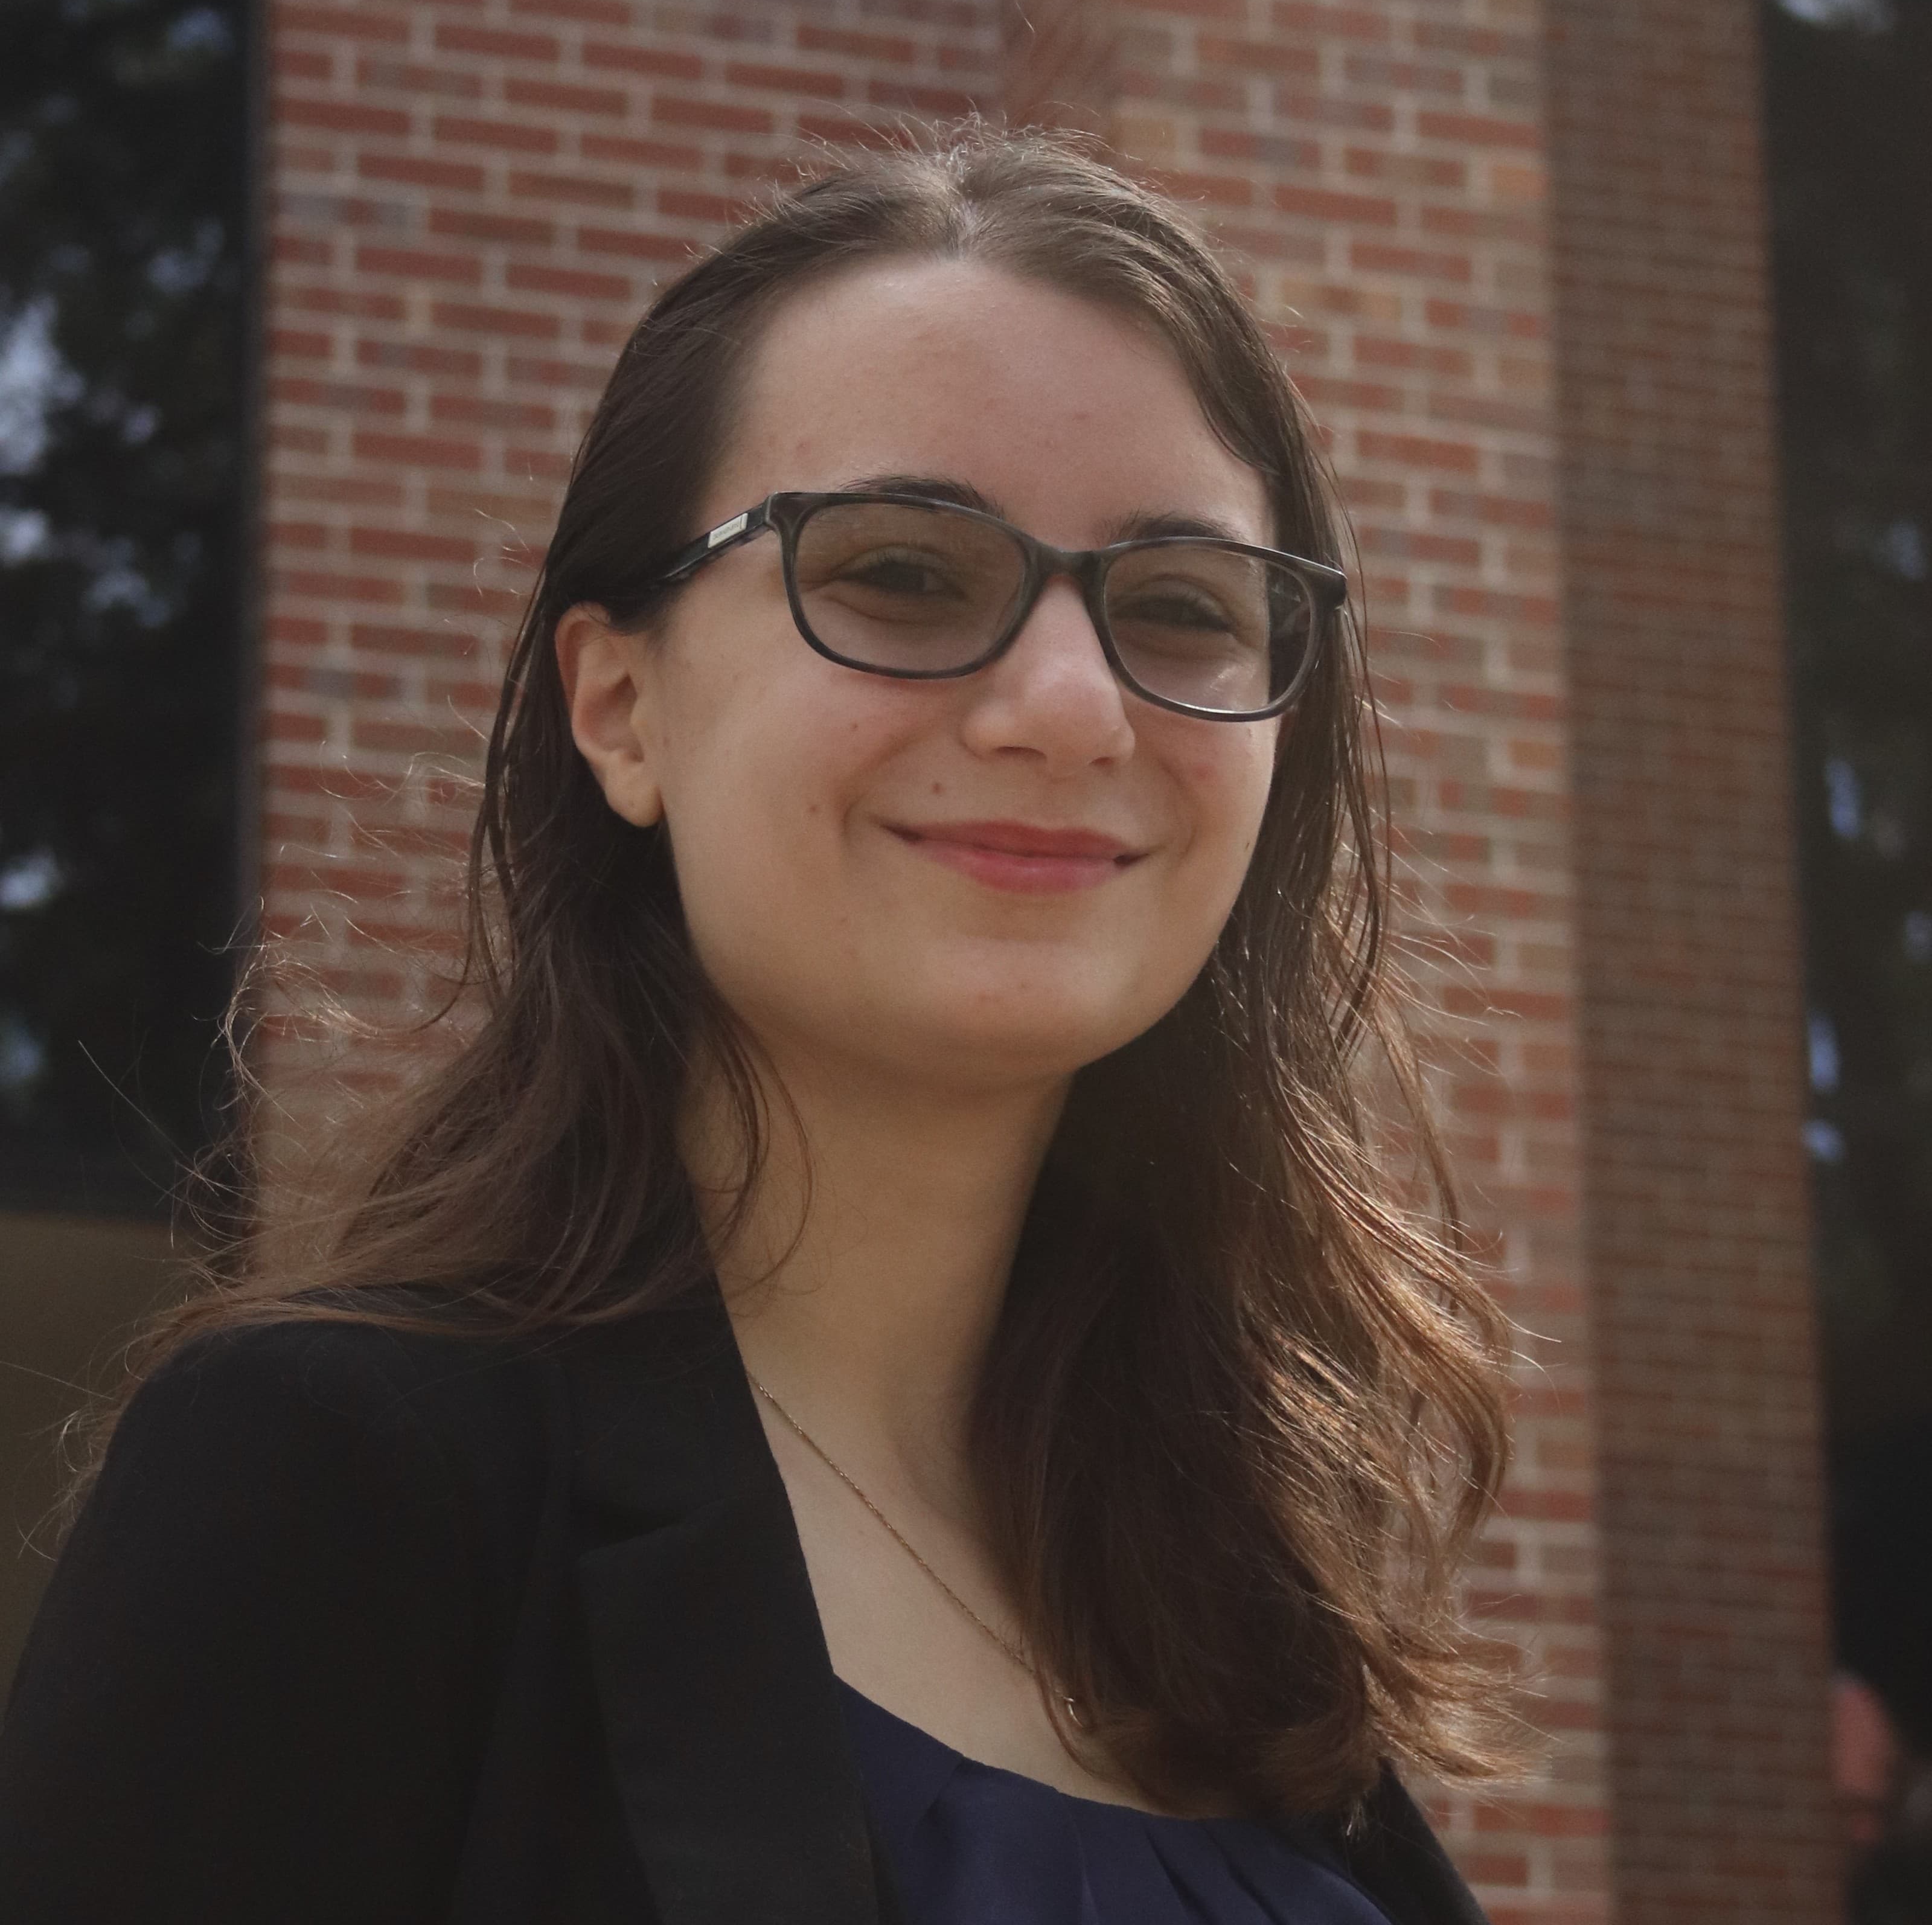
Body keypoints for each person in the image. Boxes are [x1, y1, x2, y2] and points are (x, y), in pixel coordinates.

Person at [0, 127, 1519, 1923]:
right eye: (902, 574)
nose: (1068, 703)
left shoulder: (1246, 1610)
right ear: (619, 708)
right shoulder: (332, 1487)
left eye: (1185, 606)